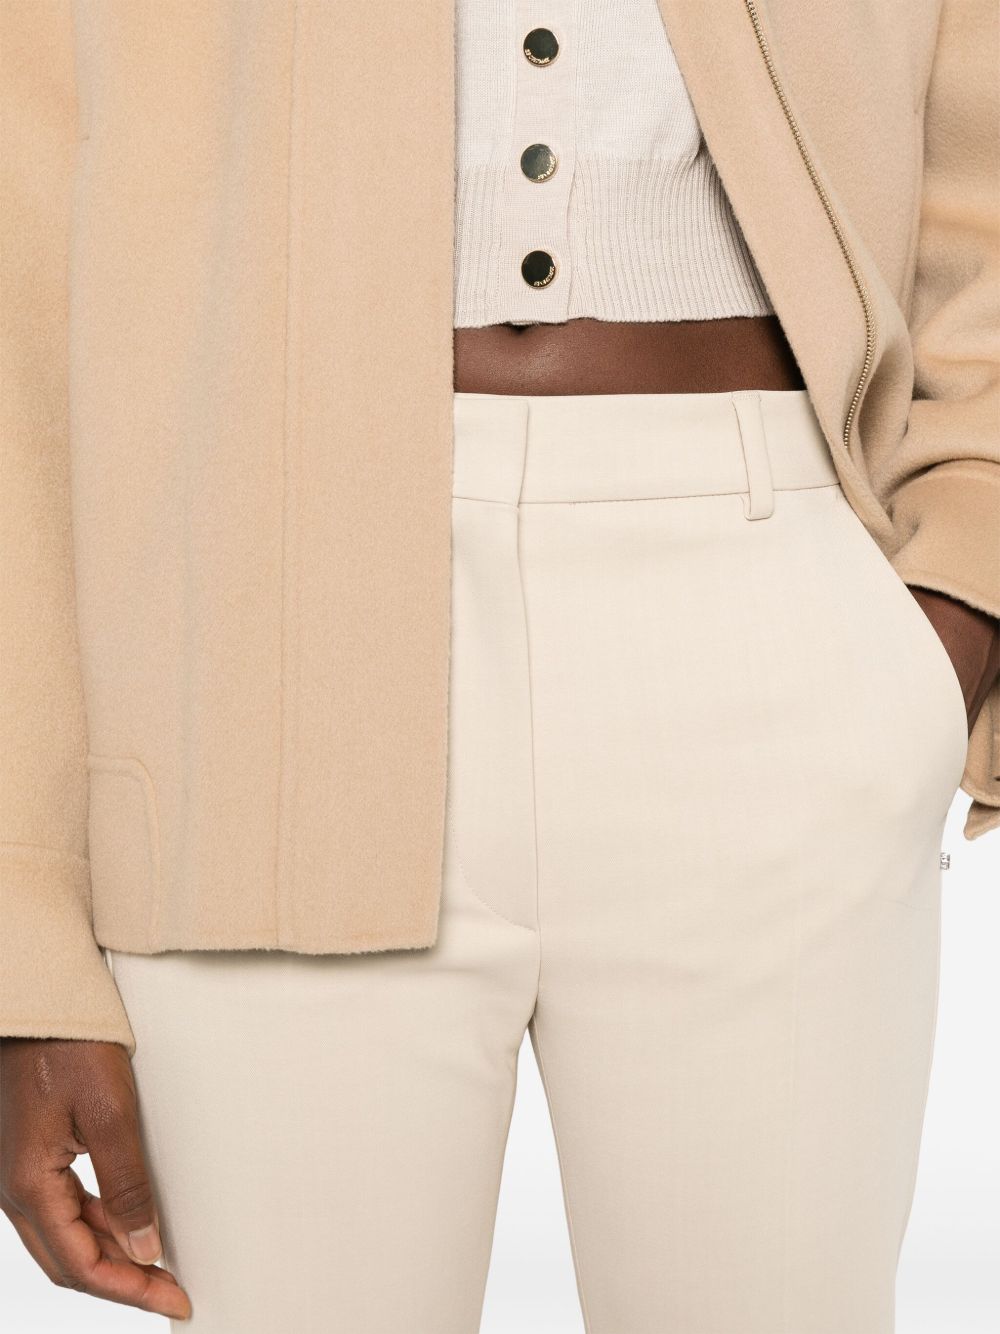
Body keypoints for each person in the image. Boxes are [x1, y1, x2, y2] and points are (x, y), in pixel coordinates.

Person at [1, 1, 998, 1330]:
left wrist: (957, 597)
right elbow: (21, 246)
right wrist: (21, 926)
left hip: (767, 607)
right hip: (246, 647)